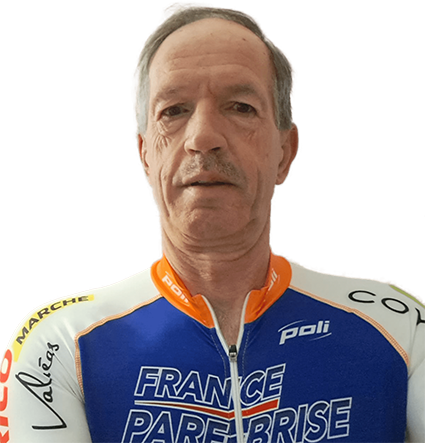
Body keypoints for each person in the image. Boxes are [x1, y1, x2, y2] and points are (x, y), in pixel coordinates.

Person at [0, 2, 424, 442]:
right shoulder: (60, 343)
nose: (203, 137)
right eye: (173, 110)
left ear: (285, 152)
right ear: (145, 156)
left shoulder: (397, 326)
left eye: (240, 107)